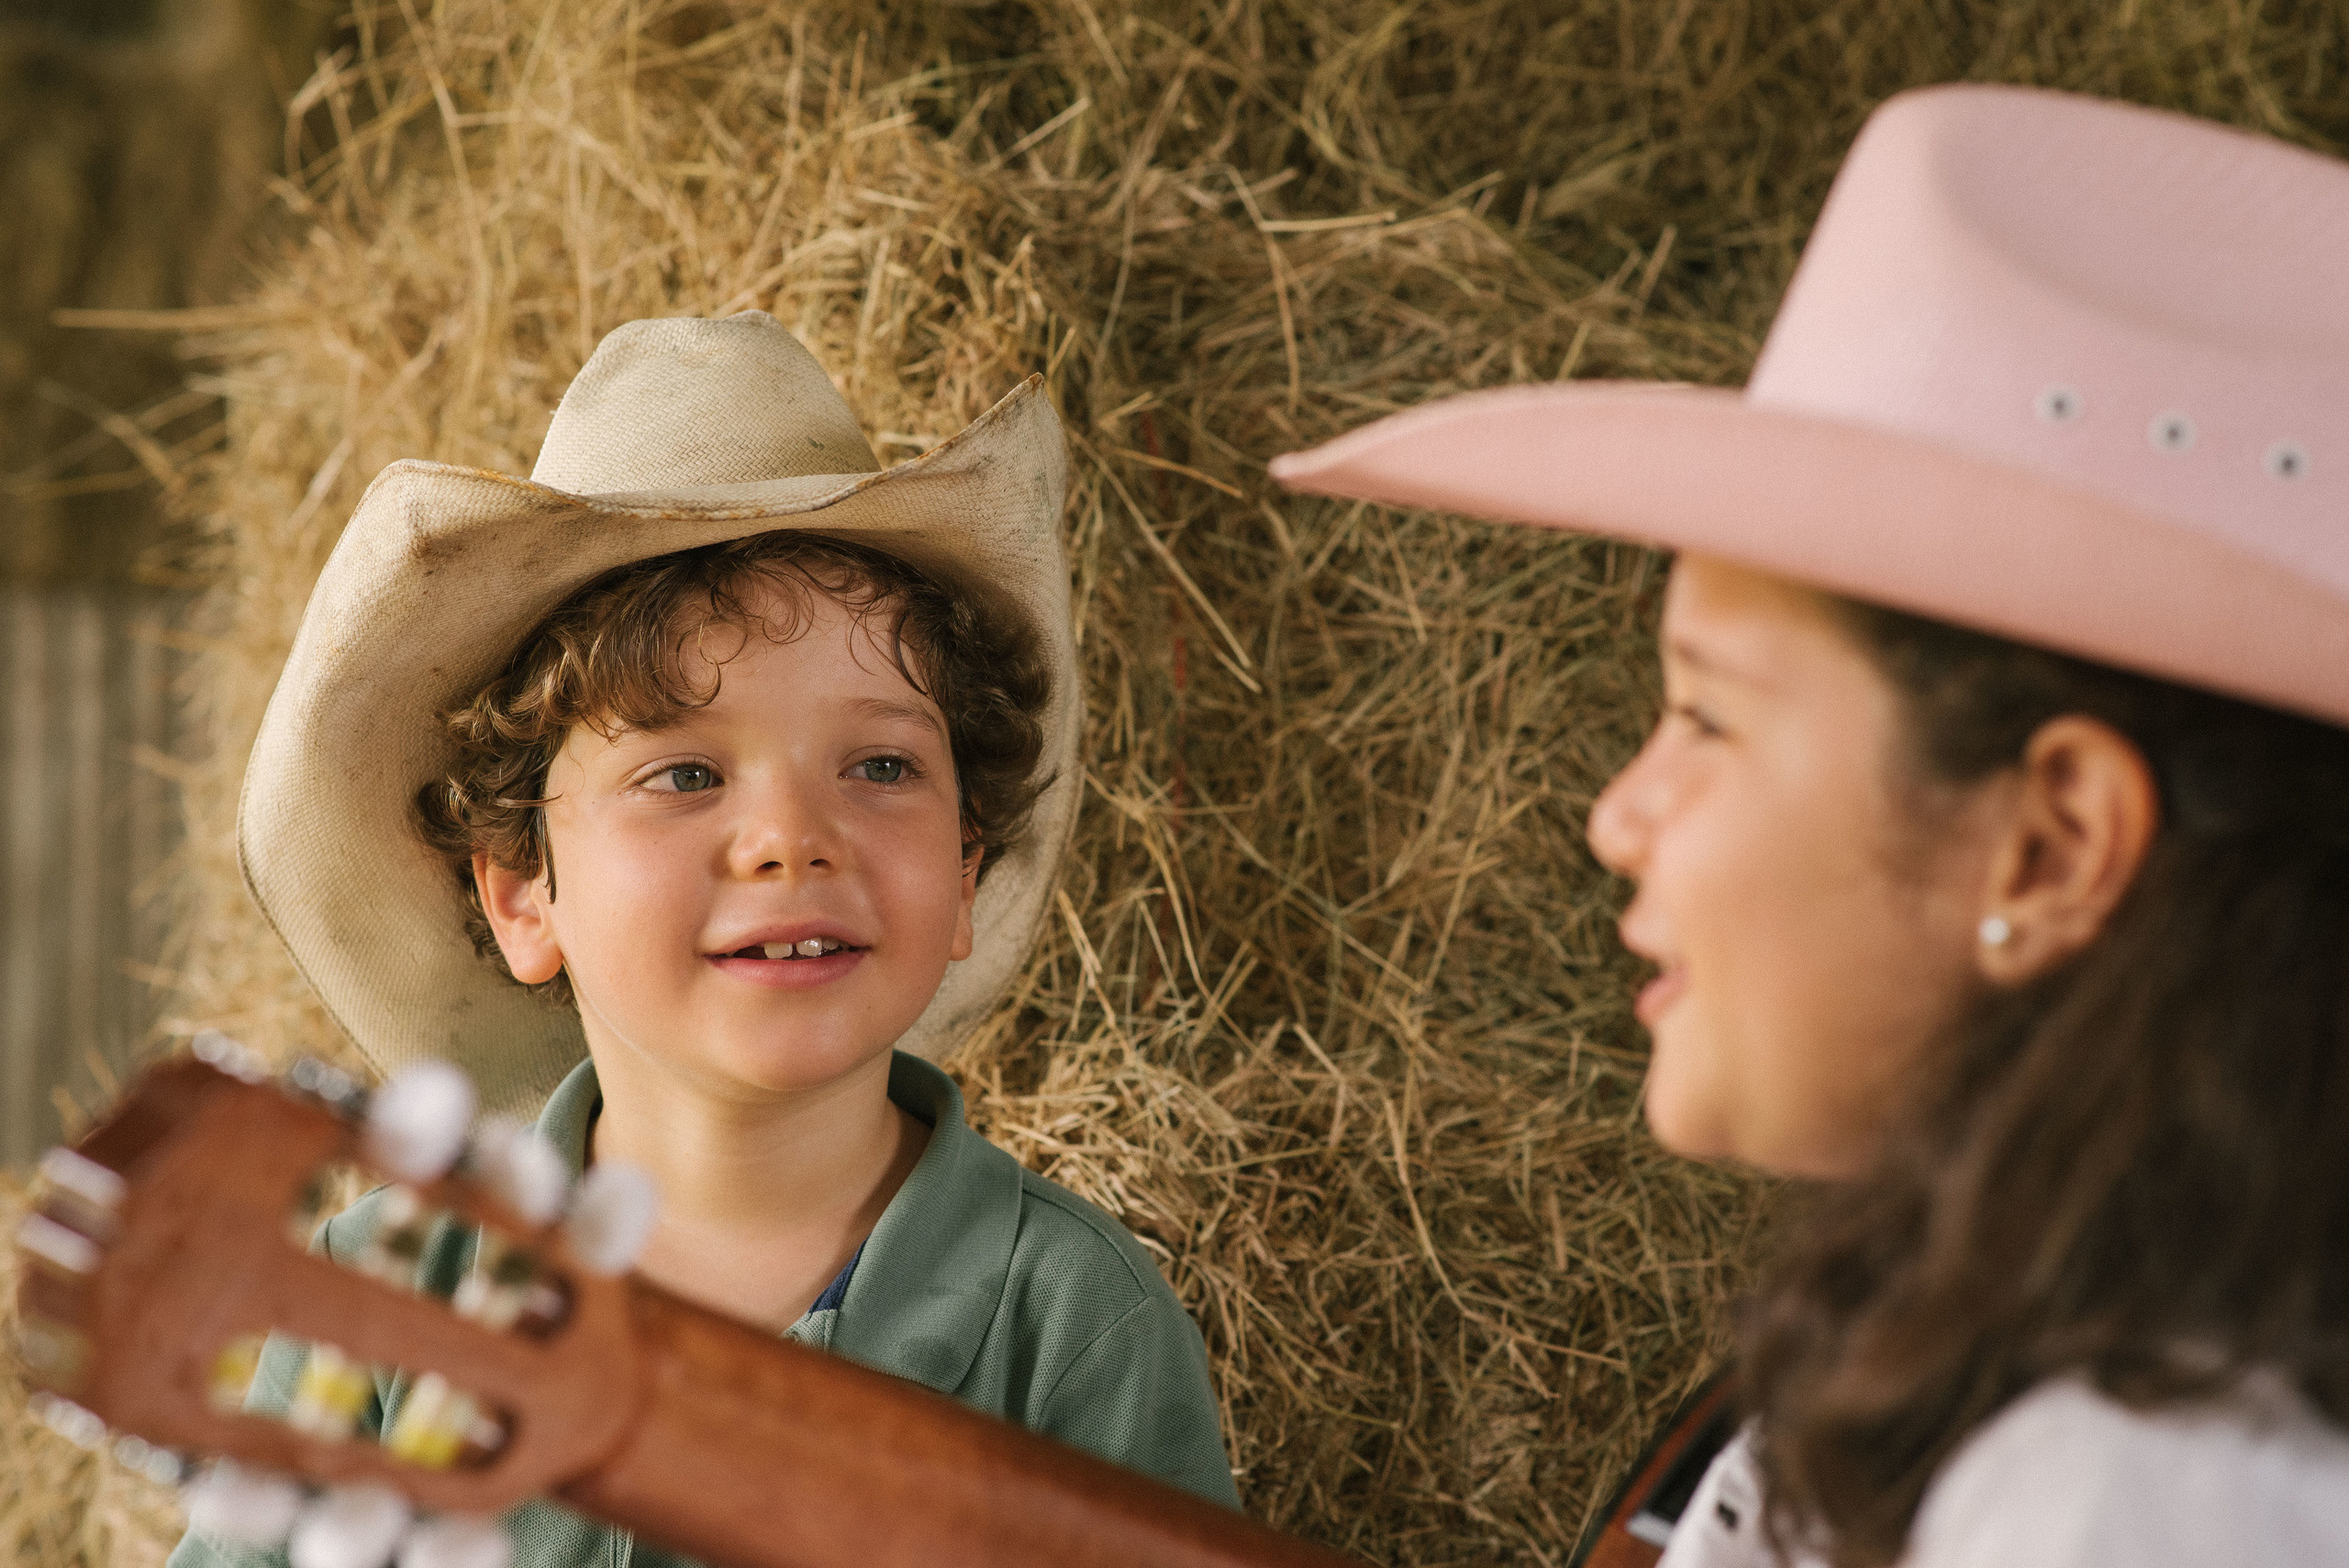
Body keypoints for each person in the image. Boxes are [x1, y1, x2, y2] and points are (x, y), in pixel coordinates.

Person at [1273, 83, 2349, 1567]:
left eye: (1709, 718)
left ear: (2051, 846)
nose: (1615, 815)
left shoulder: (2145, 1504)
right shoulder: (2026, 1401)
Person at [173, 313, 1237, 1568]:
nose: (792, 837)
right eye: (683, 773)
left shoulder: (1070, 1326)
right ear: (524, 892)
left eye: (882, 763)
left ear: (963, 872)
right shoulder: (372, 1313)